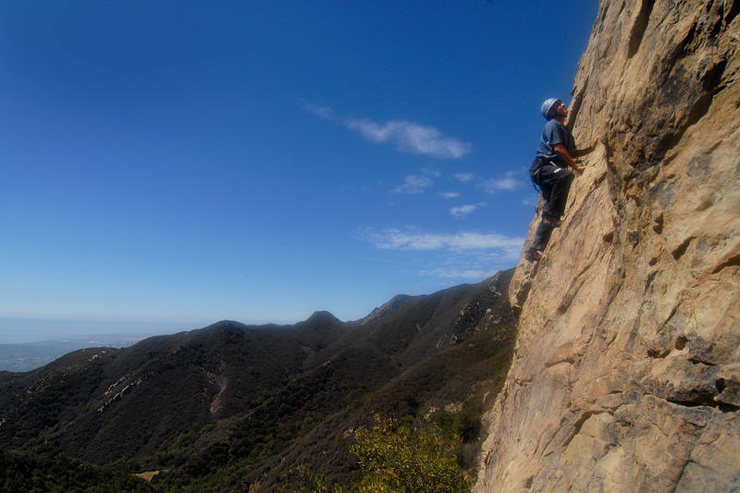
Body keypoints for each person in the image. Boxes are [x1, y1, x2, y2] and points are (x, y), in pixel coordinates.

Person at [525, 98, 597, 262]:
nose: (564, 105)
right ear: (552, 112)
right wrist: (576, 168)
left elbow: (571, 152)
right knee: (565, 175)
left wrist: (591, 149)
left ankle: (534, 250)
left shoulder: (564, 130)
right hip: (542, 169)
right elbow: (558, 149)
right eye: (559, 105)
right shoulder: (553, 125)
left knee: (549, 212)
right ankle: (553, 217)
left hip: (549, 171)